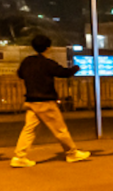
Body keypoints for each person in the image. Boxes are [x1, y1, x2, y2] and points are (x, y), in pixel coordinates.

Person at [11, 35, 91, 167]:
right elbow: (63, 73)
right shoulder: (47, 63)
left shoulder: (27, 61)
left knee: (29, 129)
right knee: (60, 129)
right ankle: (72, 153)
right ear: (48, 47)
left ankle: (19, 156)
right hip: (45, 100)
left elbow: (20, 74)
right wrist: (76, 68)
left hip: (31, 100)